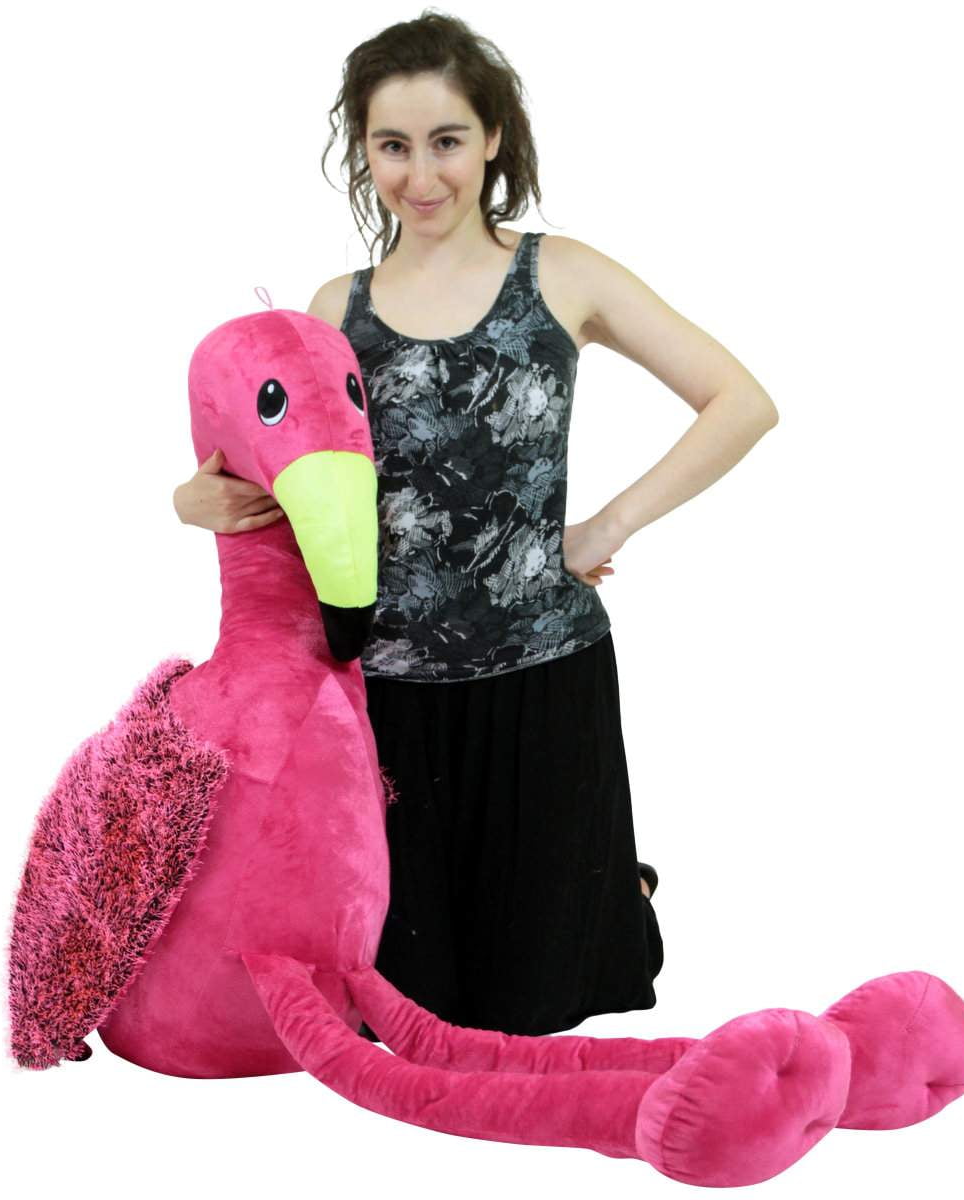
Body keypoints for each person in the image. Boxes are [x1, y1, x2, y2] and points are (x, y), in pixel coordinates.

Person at [172, 10, 778, 1038]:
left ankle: (616, 891)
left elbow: (740, 402)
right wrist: (193, 503)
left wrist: (606, 527)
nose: (421, 176)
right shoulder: (334, 307)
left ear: (493, 136)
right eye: (392, 146)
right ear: (363, 151)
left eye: (446, 141)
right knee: (411, 1013)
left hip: (543, 677)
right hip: (384, 695)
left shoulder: (563, 274)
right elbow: (284, 481)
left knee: (538, 1004)